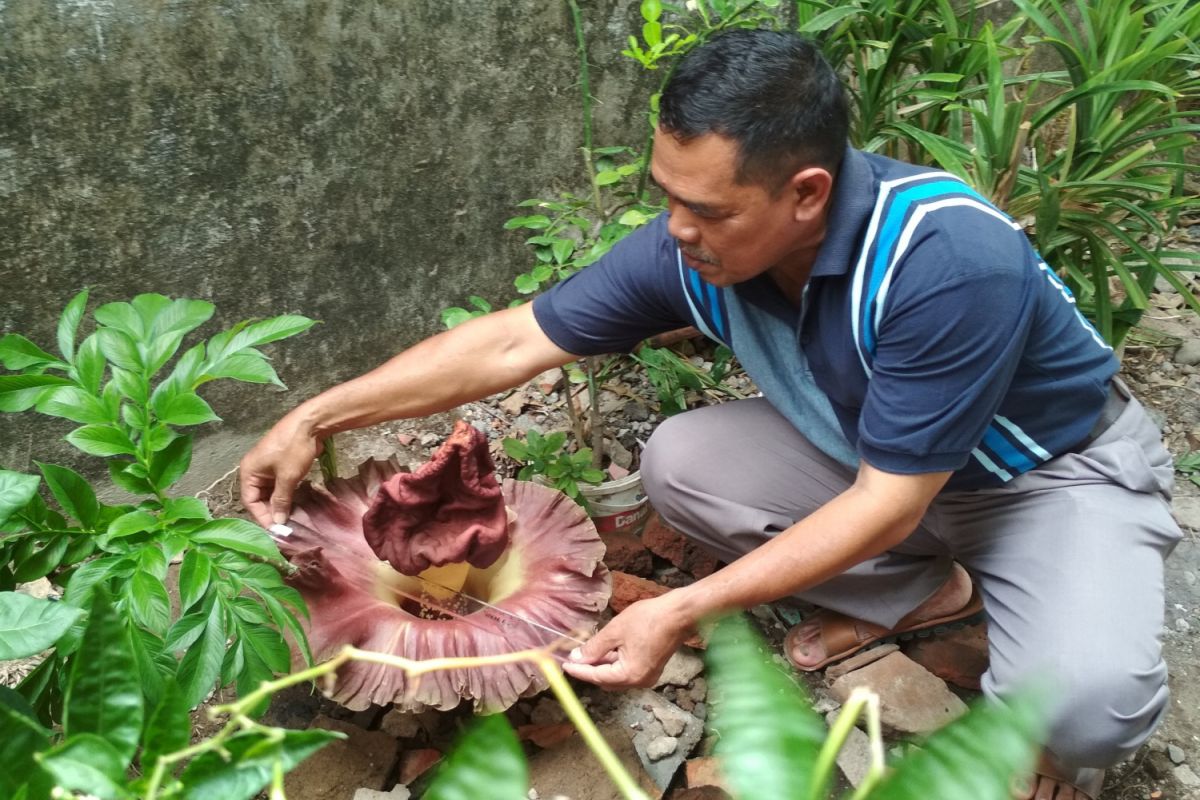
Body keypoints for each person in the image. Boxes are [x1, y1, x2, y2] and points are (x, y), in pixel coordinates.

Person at [240, 29, 1181, 800]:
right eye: (667, 197)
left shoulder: (944, 262)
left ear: (806, 193)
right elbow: (511, 343)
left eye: (706, 209)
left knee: (1084, 705)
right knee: (685, 460)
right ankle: (925, 595)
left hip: (1043, 477)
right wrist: (318, 414)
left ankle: (1044, 713)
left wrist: (684, 609)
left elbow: (891, 502)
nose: (677, 229)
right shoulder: (700, 249)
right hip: (882, 462)